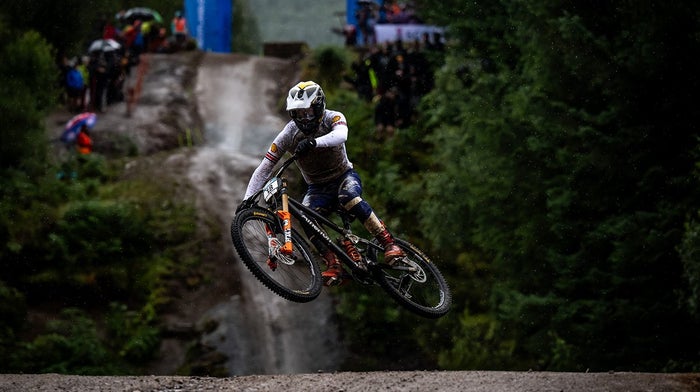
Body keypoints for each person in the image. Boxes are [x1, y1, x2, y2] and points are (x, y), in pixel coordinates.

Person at [238, 81, 405, 286]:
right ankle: (333, 264)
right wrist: (247, 200)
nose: (304, 118)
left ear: (318, 107)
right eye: (298, 114)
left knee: (350, 197)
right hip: (317, 188)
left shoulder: (332, 117)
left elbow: (341, 135)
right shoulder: (288, 134)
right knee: (307, 218)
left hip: (344, 176)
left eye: (307, 112)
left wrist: (314, 142)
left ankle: (388, 242)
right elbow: (265, 167)